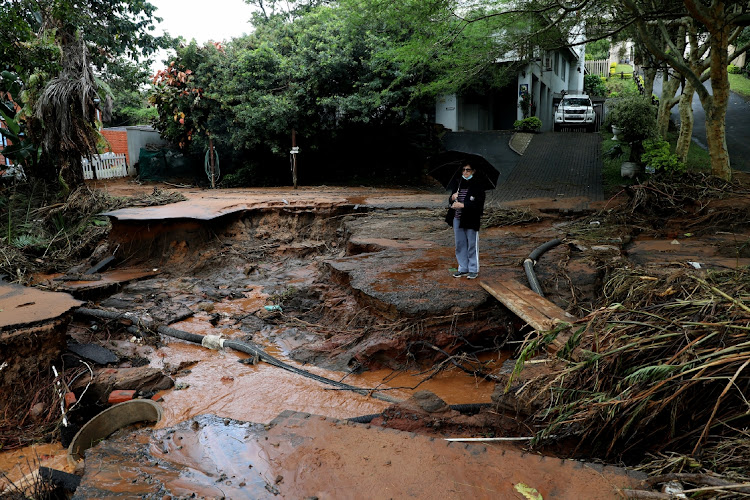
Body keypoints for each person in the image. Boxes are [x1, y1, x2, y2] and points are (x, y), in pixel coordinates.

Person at [444, 163, 486, 279]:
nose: (465, 172)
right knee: (460, 244)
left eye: (468, 170)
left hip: (471, 219)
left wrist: (463, 205)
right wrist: (452, 198)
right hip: (457, 218)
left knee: (472, 244)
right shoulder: (458, 183)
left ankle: (473, 269)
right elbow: (451, 200)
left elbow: (479, 204)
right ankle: (463, 268)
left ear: (473, 171)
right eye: (463, 170)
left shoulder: (478, 185)